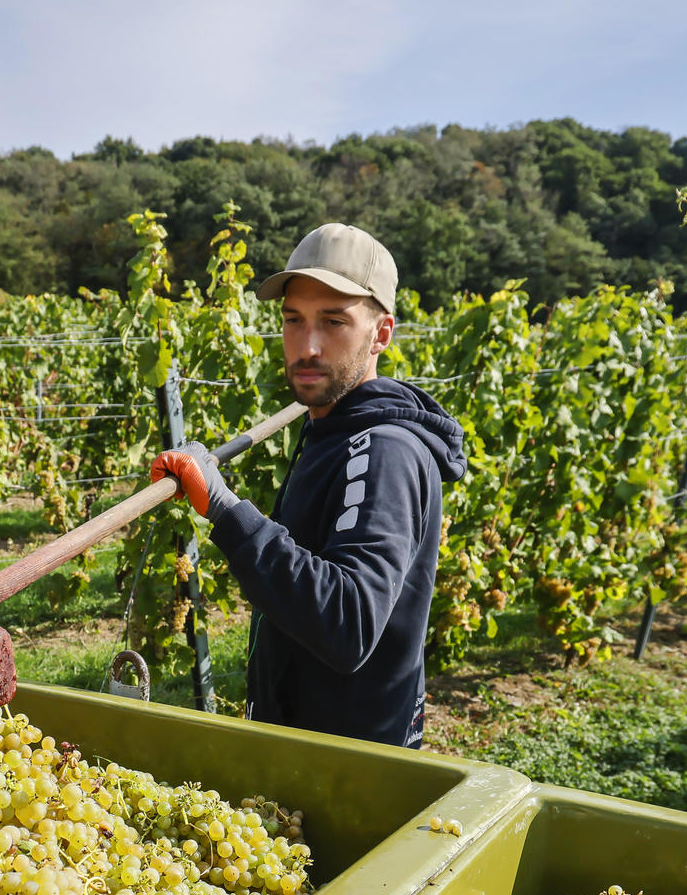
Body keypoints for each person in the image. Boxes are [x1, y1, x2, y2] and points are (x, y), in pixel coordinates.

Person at [150, 223, 466, 748]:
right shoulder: (328, 426)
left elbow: (349, 622)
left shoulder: (384, 450)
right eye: (293, 321)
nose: (307, 346)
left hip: (351, 770)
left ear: (381, 334)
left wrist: (227, 510)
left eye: (334, 322)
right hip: (308, 751)